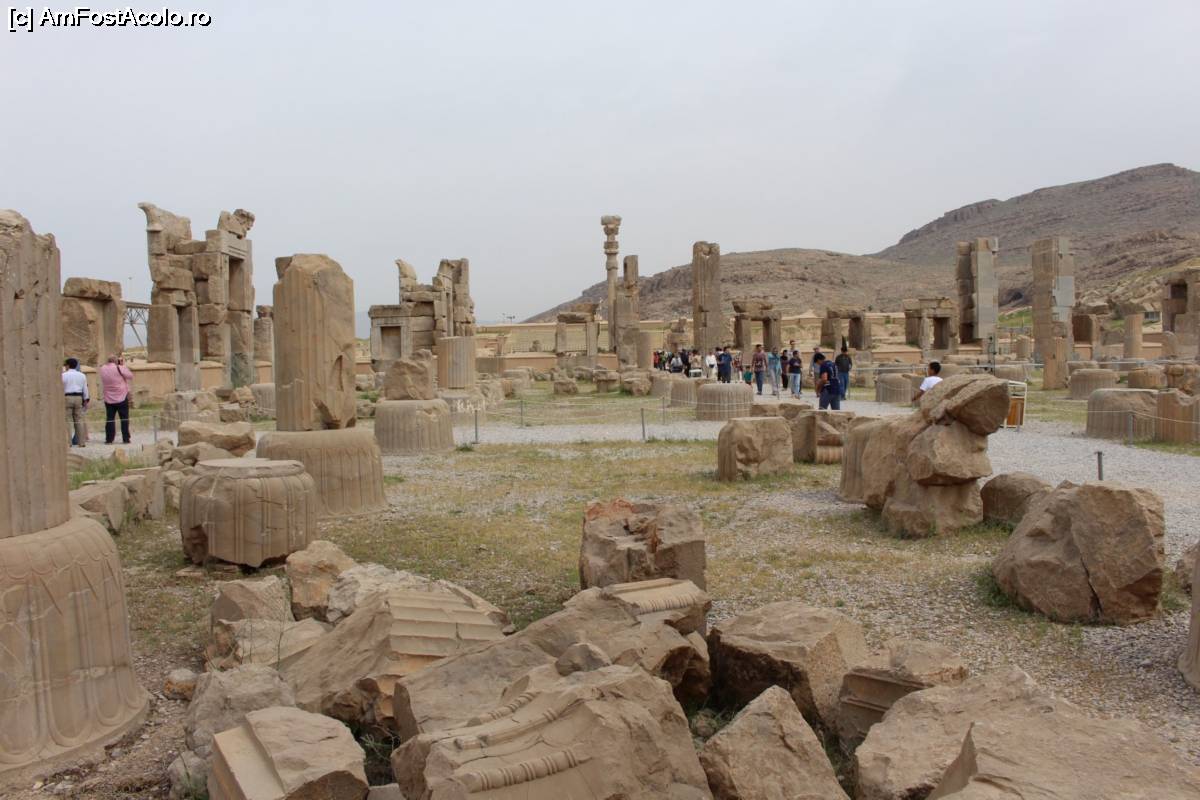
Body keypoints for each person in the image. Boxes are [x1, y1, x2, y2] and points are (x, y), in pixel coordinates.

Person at [99, 354, 134, 444]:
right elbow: (130, 376)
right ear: (116, 361)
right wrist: (122, 366)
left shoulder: (102, 368)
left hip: (108, 397)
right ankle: (126, 438)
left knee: (110, 419)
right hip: (121, 396)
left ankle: (109, 439)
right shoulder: (119, 368)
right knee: (124, 419)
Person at [62, 357, 90, 447]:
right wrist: (86, 399)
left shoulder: (63, 375)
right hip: (78, 397)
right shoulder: (82, 375)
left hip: (67, 397)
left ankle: (68, 442)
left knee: (67, 420)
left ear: (68, 365)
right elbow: (85, 388)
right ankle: (81, 442)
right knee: (79, 420)